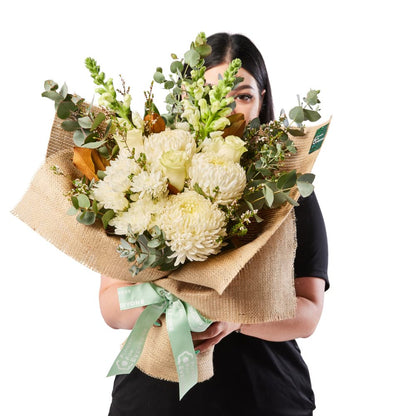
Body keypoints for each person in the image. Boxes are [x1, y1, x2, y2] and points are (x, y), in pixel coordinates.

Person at [99, 32, 329, 416]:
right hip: (154, 400)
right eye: (209, 93)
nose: (227, 108)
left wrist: (236, 318)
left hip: (263, 397)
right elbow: (111, 304)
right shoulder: (144, 176)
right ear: (186, 99)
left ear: (261, 102)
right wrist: (176, 313)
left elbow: (308, 312)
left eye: (242, 95)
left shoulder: (287, 188)